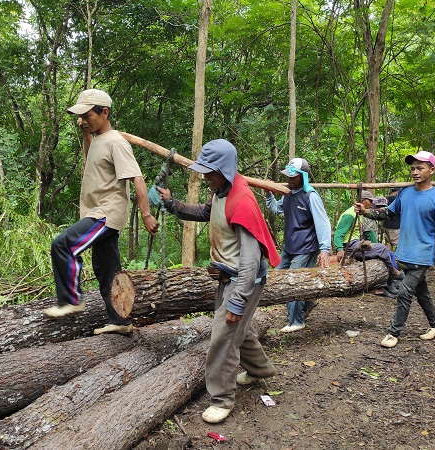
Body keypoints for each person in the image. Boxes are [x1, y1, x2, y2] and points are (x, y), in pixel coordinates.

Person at [157, 139, 278, 424]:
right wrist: (172, 204)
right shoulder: (221, 191)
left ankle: (222, 398)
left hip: (244, 280)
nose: (205, 176)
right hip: (228, 276)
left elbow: (250, 261)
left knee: (223, 338)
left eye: (210, 172)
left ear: (224, 169)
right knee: (238, 330)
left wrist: (237, 300)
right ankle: (260, 369)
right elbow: (204, 212)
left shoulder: (242, 201)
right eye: (204, 171)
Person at [43, 89, 159, 336]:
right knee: (106, 270)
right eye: (81, 116)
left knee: (64, 245)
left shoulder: (117, 142)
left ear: (104, 112)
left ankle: (71, 301)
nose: (83, 120)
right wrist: (86, 131)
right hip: (96, 211)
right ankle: (119, 320)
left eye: (87, 115)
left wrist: (147, 214)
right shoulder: (97, 140)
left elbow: (137, 178)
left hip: (105, 214)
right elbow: (90, 158)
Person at [355, 150, 435, 348]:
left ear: (432, 170)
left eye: (420, 168)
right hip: (405, 252)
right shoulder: (405, 193)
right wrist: (366, 211)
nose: (415, 172)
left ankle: (393, 333)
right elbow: (388, 214)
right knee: (421, 291)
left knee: (405, 291)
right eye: (413, 168)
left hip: (423, 254)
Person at [266, 158, 332, 333]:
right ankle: (308, 301)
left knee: (293, 281)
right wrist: (268, 193)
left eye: (293, 177)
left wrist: (325, 249)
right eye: (288, 176)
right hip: (289, 247)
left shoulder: (311, 196)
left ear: (303, 177)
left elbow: (323, 222)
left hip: (306, 247)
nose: (289, 180)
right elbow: (276, 209)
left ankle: (296, 320)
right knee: (277, 276)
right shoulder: (287, 194)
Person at [333, 190, 376, 261]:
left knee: (378, 248)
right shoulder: (350, 214)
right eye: (370, 201)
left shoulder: (361, 213)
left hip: (355, 242)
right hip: (349, 244)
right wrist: (340, 249)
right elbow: (338, 233)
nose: (371, 203)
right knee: (380, 249)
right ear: (363, 201)